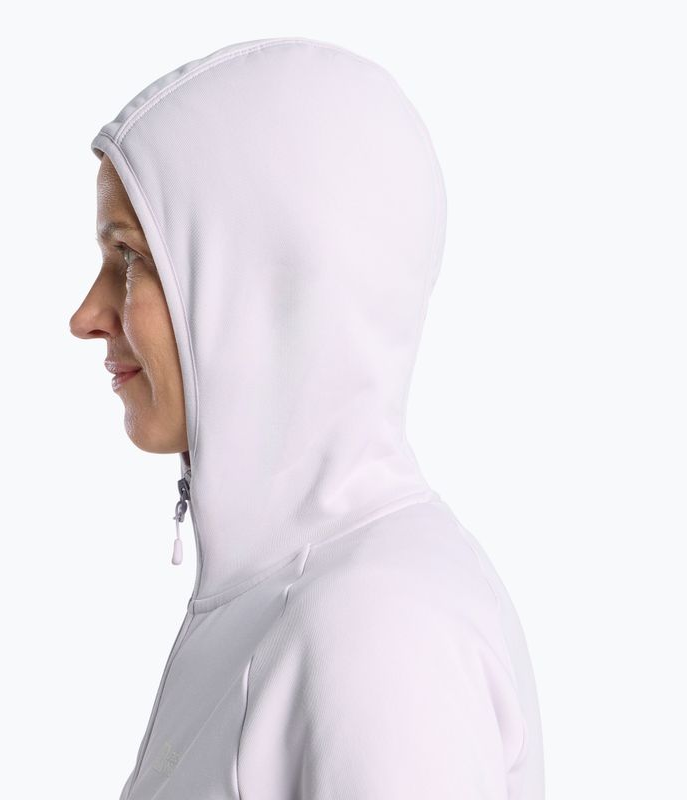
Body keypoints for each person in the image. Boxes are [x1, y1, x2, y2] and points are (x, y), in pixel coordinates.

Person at [70, 36, 545, 800]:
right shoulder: (284, 593)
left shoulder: (376, 629)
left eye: (130, 257)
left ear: (263, 281)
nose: (86, 316)